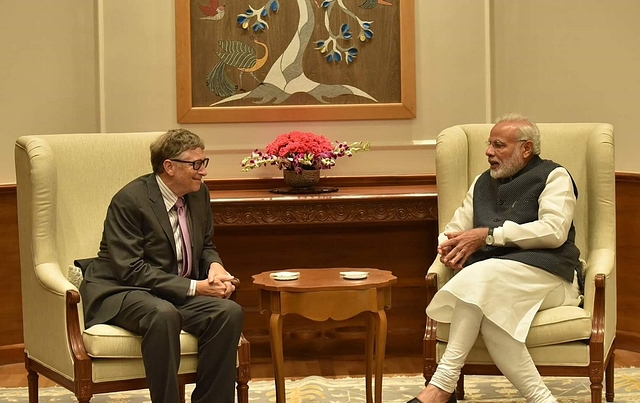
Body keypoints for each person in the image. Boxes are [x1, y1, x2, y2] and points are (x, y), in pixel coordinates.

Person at [408, 114, 583, 403]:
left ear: (526, 149)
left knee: (478, 279)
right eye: (489, 144)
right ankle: (543, 400)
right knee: (487, 306)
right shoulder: (481, 183)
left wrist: (489, 236)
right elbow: (454, 229)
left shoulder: (554, 176)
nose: (489, 152)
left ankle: (441, 386)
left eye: (498, 145)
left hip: (551, 277)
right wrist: (448, 248)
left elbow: (554, 232)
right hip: (494, 281)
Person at [80, 129, 243, 403]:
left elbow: (205, 246)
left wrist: (215, 267)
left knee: (228, 312)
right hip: (122, 289)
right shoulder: (131, 201)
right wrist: (195, 287)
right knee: (162, 314)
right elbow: (130, 269)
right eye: (195, 164)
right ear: (169, 166)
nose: (202, 171)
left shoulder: (198, 194)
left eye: (204, 163)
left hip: (170, 290)